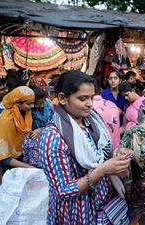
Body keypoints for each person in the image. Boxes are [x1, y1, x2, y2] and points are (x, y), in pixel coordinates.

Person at [39, 70, 132, 224]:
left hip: (102, 204)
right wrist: (102, 171)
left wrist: (116, 154)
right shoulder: (53, 137)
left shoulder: (92, 121)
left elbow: (99, 154)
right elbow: (63, 190)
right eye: (83, 99)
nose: (90, 104)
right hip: (77, 212)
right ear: (62, 98)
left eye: (91, 97)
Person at [0, 86, 35, 177]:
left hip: (25, 159)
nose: (32, 106)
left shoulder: (26, 113)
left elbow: (28, 133)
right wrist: (29, 167)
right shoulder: (6, 121)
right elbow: (3, 157)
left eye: (33, 103)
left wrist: (40, 130)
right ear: (17, 103)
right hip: (12, 167)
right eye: (29, 104)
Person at [22, 87, 54, 168]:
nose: (41, 106)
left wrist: (42, 130)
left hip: (50, 137)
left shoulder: (49, 104)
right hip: (33, 141)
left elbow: (54, 122)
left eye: (43, 102)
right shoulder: (27, 110)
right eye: (37, 103)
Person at [92, 77, 121, 150]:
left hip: (101, 154)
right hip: (116, 150)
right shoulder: (112, 105)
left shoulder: (88, 108)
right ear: (101, 90)